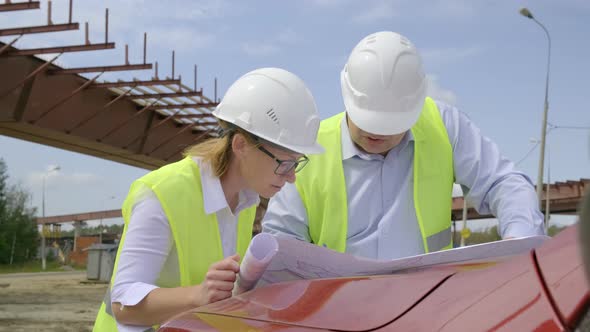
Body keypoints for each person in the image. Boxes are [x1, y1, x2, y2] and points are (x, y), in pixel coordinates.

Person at [262, 31, 545, 260]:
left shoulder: (443, 126)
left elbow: (503, 183)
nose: (377, 133)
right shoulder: (311, 147)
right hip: (338, 310)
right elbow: (282, 240)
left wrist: (519, 243)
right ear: (347, 96)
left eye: (391, 124)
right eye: (369, 120)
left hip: (427, 305)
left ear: (416, 104)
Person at [93, 67, 324, 331]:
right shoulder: (162, 193)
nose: (292, 177)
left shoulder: (246, 201)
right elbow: (123, 307)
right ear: (240, 146)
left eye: (297, 163)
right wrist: (198, 295)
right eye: (284, 163)